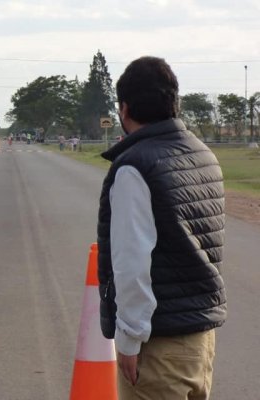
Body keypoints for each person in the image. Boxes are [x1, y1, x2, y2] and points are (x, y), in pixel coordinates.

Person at [96, 56, 227, 399]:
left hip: (159, 345)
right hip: (199, 339)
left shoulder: (134, 166)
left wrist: (128, 338)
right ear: (173, 101)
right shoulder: (203, 155)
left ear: (124, 109)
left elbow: (132, 262)